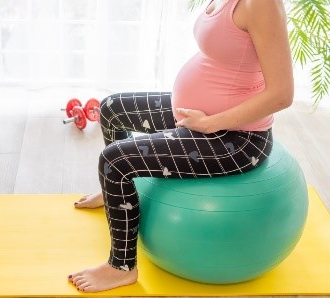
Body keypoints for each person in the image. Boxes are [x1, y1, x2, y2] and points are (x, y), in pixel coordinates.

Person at [68, 0, 294, 293]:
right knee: (111, 109)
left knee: (115, 161)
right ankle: (119, 194)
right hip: (198, 116)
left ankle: (121, 267)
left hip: (236, 138)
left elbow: (282, 94)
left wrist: (211, 122)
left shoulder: (262, 5)